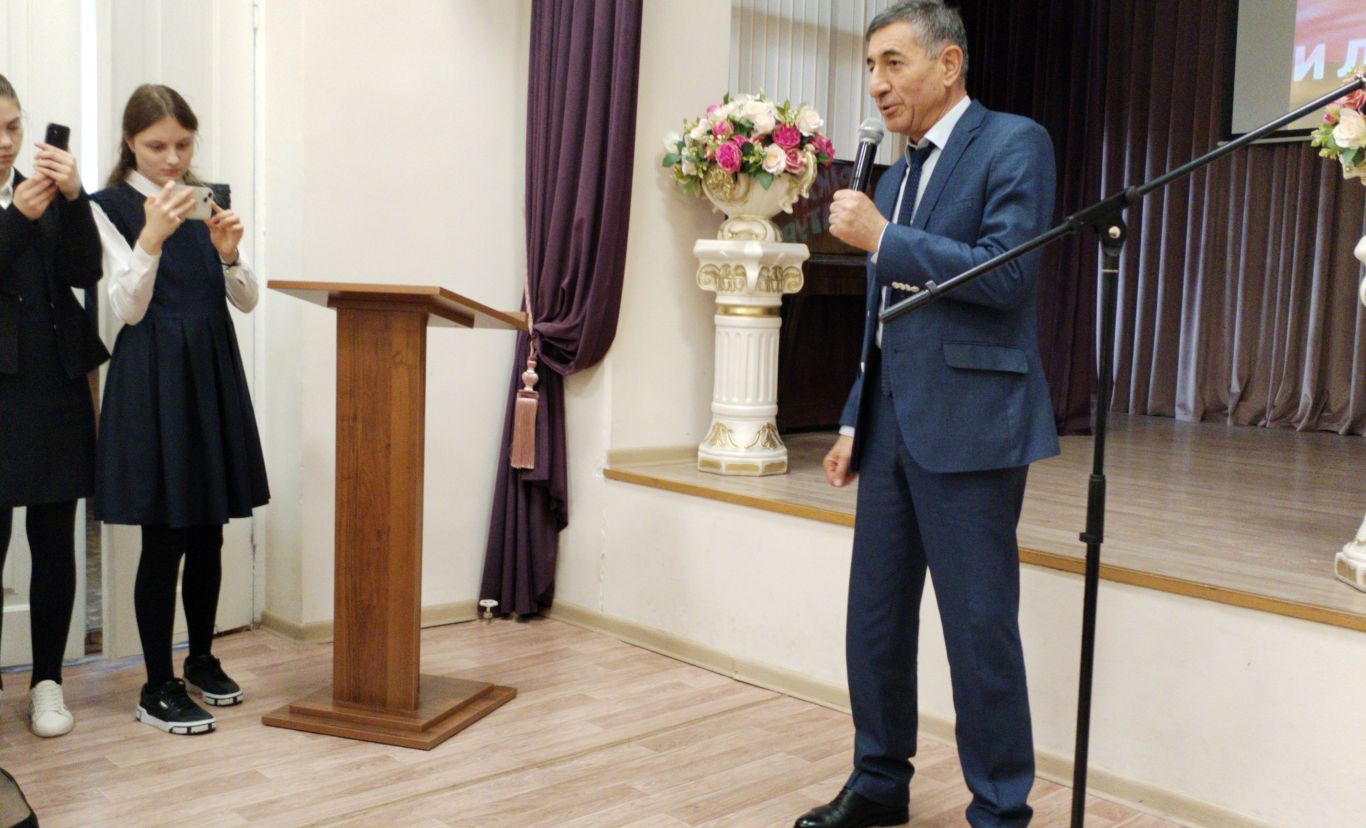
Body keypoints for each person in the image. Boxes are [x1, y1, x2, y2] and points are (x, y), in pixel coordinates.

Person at [796, 3, 1059, 827]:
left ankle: (1001, 810)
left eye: (894, 62)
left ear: (948, 65)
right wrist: (853, 418)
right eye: (870, 66)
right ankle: (879, 782)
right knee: (874, 619)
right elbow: (883, 316)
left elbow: (1005, 274)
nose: (877, 84)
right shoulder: (893, 174)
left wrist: (883, 238)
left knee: (979, 628)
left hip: (974, 424)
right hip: (890, 427)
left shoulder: (1013, 143)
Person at [91, 84, 269, 735]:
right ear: (130, 143)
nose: (172, 159)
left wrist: (230, 253)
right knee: (164, 534)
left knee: (209, 529)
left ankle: (201, 659)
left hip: (210, 369)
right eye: (157, 146)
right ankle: (156, 683)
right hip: (153, 375)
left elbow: (245, 299)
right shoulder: (107, 206)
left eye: (183, 145)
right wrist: (152, 238)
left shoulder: (206, 199)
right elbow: (126, 308)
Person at [0, 74, 109, 739]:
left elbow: (84, 271)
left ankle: (47, 681)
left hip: (53, 386)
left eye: (14, 126)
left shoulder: (39, 191)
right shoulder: (21, 205)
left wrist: (72, 198)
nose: (6, 140)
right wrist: (18, 218)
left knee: (53, 540)